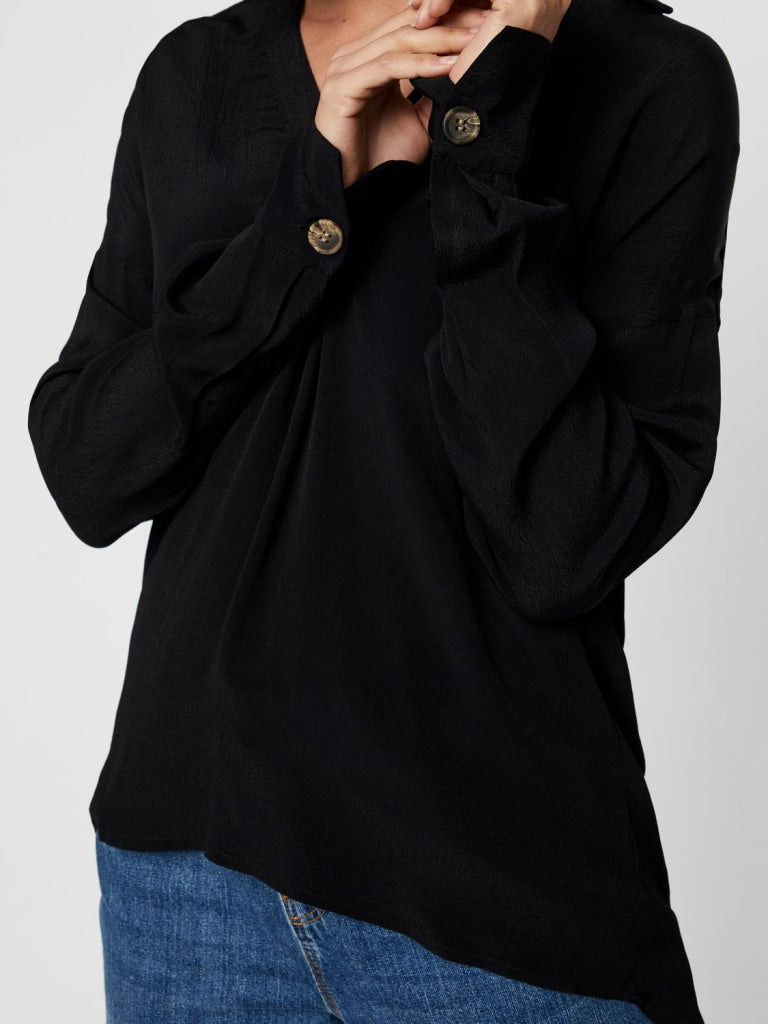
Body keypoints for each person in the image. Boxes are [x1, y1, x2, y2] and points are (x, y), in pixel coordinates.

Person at [27, 0, 740, 1022]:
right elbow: (89, 469)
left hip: (498, 900)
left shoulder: (650, 79)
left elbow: (565, 538)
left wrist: (486, 132)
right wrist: (312, 203)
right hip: (190, 885)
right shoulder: (199, 74)